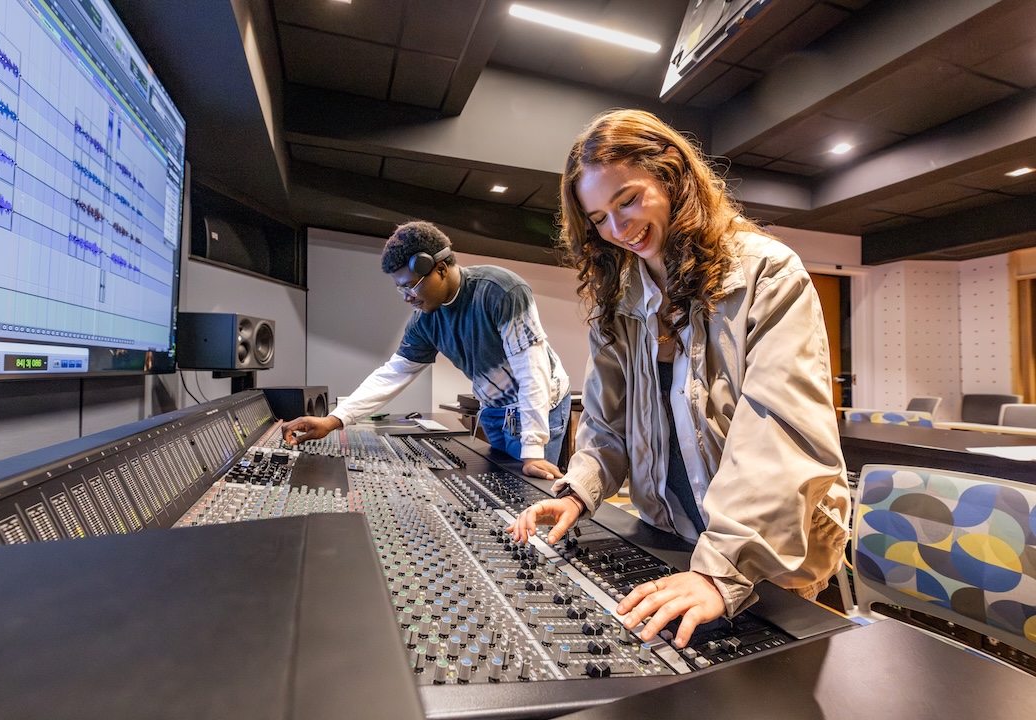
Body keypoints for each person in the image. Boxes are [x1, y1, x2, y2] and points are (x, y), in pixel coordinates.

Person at [508, 109, 850, 648]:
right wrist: (578, 493)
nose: (617, 229)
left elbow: (778, 436)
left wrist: (722, 568)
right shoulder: (620, 296)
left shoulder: (768, 271)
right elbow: (607, 423)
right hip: (678, 539)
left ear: (672, 176)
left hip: (769, 554)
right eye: (598, 217)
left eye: (628, 200)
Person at [282, 220, 572, 480]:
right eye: (399, 289)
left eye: (410, 286)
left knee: (532, 490)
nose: (406, 298)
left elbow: (532, 370)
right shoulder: (424, 320)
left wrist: (533, 449)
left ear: (441, 269)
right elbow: (393, 374)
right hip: (495, 410)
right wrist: (334, 420)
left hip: (539, 404)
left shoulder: (500, 290)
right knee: (509, 488)